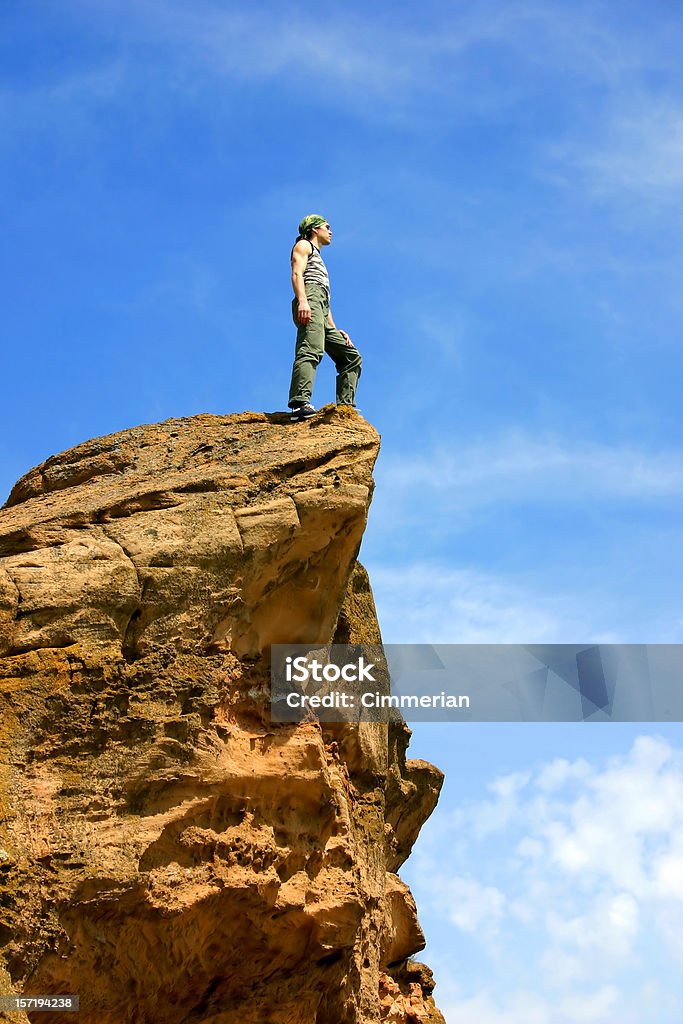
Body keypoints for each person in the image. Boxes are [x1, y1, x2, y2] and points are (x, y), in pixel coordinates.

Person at [287, 214, 362, 422]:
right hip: (309, 299)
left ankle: (345, 409)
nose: (331, 231)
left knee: (351, 357)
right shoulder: (304, 245)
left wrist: (334, 328)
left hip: (321, 305)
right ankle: (299, 404)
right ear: (314, 229)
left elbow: (324, 300)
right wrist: (303, 301)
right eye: (326, 226)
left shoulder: (319, 257)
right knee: (310, 349)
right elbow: (297, 274)